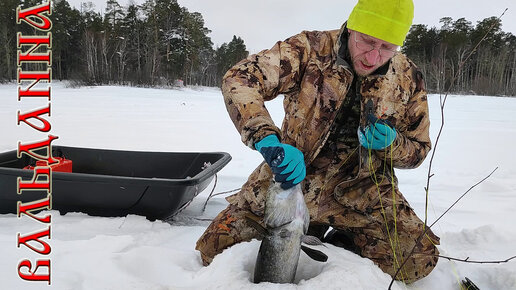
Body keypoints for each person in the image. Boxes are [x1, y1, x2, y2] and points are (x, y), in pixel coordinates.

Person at [196, 0, 439, 283]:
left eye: (387, 48)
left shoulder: (408, 76)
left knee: (417, 261)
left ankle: (340, 239)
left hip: (363, 196)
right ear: (352, 28)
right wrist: (267, 140)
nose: (373, 57)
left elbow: (418, 149)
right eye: (367, 41)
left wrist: (392, 144)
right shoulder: (309, 49)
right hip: (290, 182)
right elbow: (240, 78)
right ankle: (307, 229)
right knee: (213, 250)